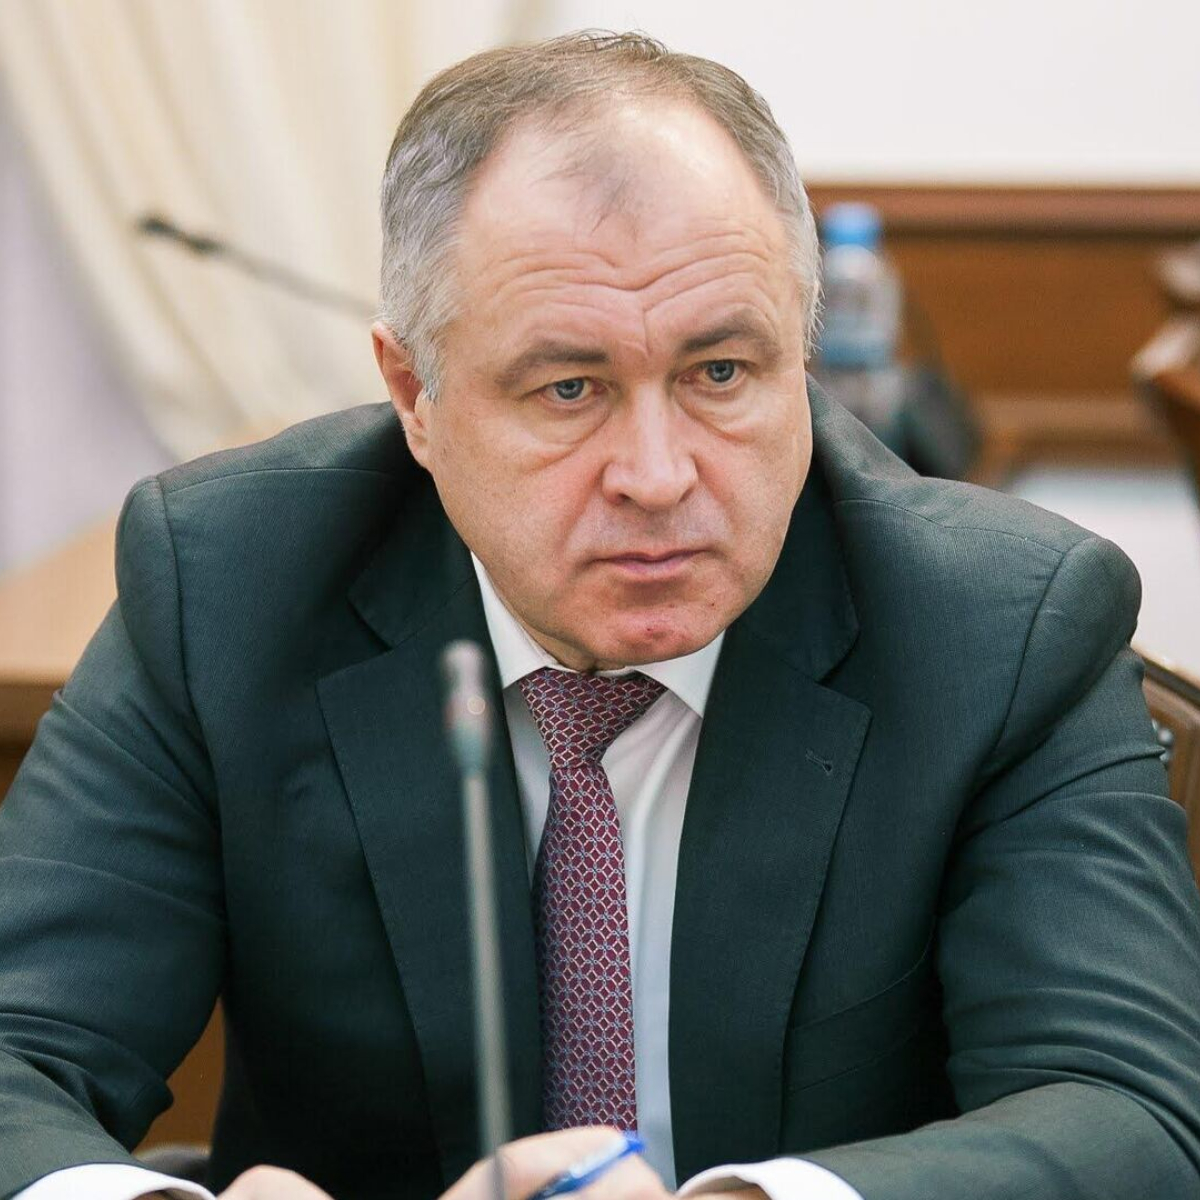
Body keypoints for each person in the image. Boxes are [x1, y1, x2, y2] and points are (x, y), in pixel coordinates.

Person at [1, 29, 1199, 1200]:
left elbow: (1129, 1116)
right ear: (415, 394)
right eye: (569, 388)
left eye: (720, 374)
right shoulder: (230, 585)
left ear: (801, 355)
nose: (658, 475)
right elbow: (18, 1046)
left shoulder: (1001, 631)